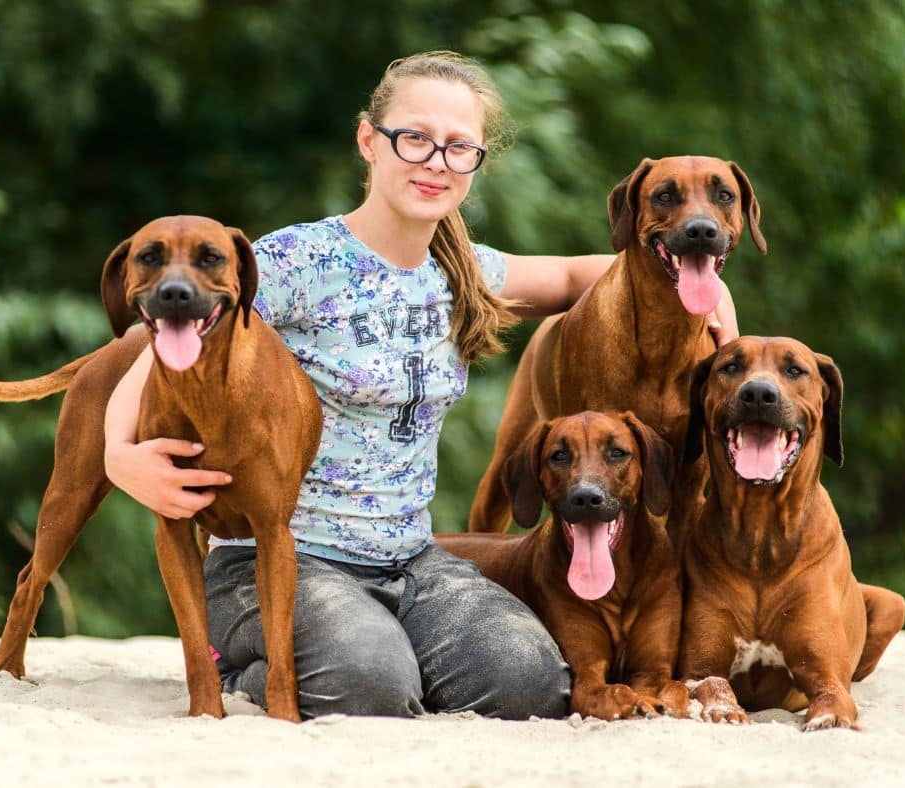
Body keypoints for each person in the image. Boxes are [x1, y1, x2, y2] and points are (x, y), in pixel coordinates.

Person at [104, 51, 737, 720]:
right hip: (276, 560)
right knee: (369, 685)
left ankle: (388, 645)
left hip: (410, 559)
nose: (436, 161)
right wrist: (120, 455)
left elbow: (586, 276)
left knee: (529, 681)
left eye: (459, 147)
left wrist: (702, 292)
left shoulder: (465, 270)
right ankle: (241, 659)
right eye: (415, 139)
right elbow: (154, 344)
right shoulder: (298, 261)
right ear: (369, 141)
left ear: (476, 163)